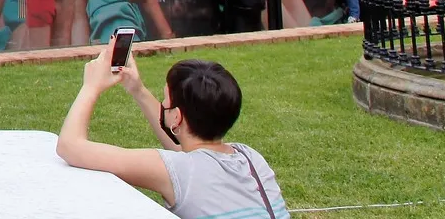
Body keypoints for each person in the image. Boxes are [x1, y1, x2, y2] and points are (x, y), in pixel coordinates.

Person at [57, 40, 287, 219]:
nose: (162, 104)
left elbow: (70, 146)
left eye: (165, 100)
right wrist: (137, 90)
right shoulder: (250, 158)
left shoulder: (176, 169)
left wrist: (91, 87)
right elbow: (184, 150)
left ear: (176, 117)